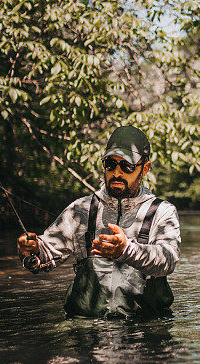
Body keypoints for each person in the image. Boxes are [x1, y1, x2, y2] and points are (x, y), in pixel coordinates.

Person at [17, 125, 180, 319]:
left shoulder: (162, 212)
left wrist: (126, 251)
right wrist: (32, 251)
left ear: (144, 168)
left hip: (144, 327)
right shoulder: (80, 210)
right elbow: (45, 256)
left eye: (127, 166)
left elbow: (168, 260)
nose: (117, 173)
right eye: (111, 164)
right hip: (87, 328)